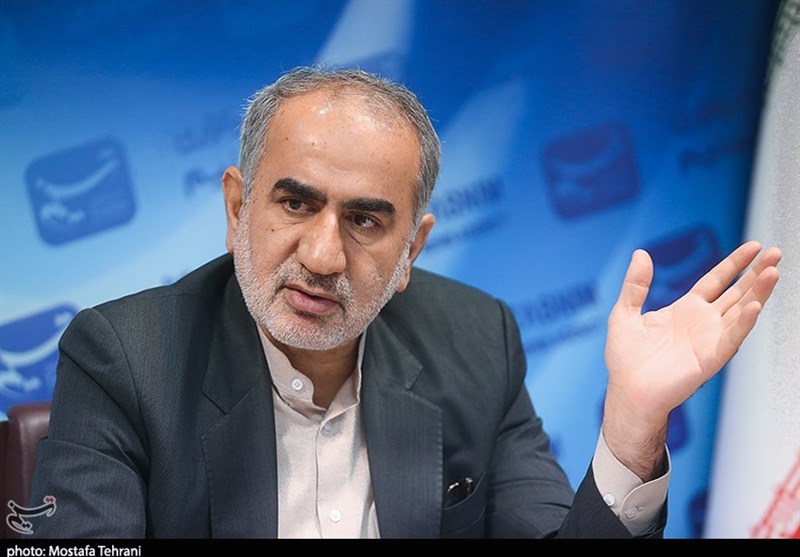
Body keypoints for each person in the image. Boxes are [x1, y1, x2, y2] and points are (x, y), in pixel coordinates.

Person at [27, 66, 781, 539]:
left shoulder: (477, 340)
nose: (323, 256)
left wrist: (633, 427)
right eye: (295, 203)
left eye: (365, 220)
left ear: (411, 251)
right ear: (236, 208)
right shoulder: (124, 357)